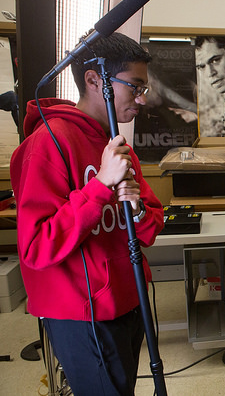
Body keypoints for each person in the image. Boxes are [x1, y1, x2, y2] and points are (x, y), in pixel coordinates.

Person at [10, 32, 164, 396]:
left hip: (128, 300)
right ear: (95, 80)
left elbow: (150, 227)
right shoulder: (47, 143)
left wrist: (137, 209)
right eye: (134, 86)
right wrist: (99, 188)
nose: (141, 99)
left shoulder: (116, 145)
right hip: (81, 313)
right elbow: (35, 248)